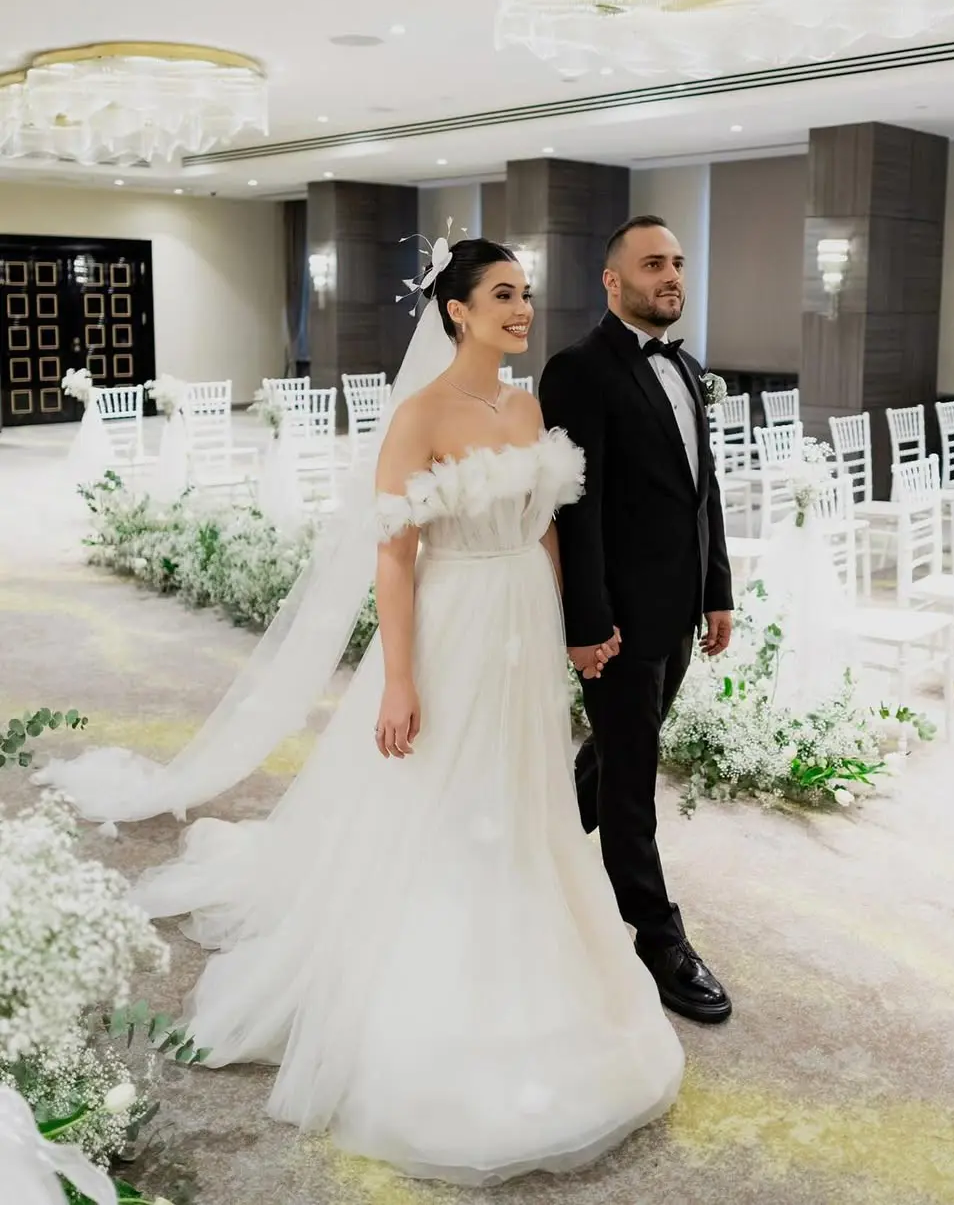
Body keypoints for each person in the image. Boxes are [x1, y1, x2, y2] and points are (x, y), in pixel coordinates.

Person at [39, 238, 684, 1187]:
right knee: (446, 795)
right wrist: (398, 680)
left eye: (526, 294)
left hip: (523, 620)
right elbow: (394, 554)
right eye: (503, 295)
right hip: (456, 621)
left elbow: (549, 524)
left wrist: (570, 625)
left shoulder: (525, 406)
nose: (522, 310)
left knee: (523, 790)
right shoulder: (419, 416)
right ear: (457, 311)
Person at [539, 214, 735, 1025]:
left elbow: (702, 489)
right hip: (618, 623)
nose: (672, 275)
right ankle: (658, 938)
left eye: (678, 262)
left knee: (618, 752)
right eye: (653, 263)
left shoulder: (686, 367)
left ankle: (534, 843)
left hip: (678, 610)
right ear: (613, 280)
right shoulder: (578, 370)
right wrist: (586, 623)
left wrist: (717, 590)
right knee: (631, 783)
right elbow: (575, 508)